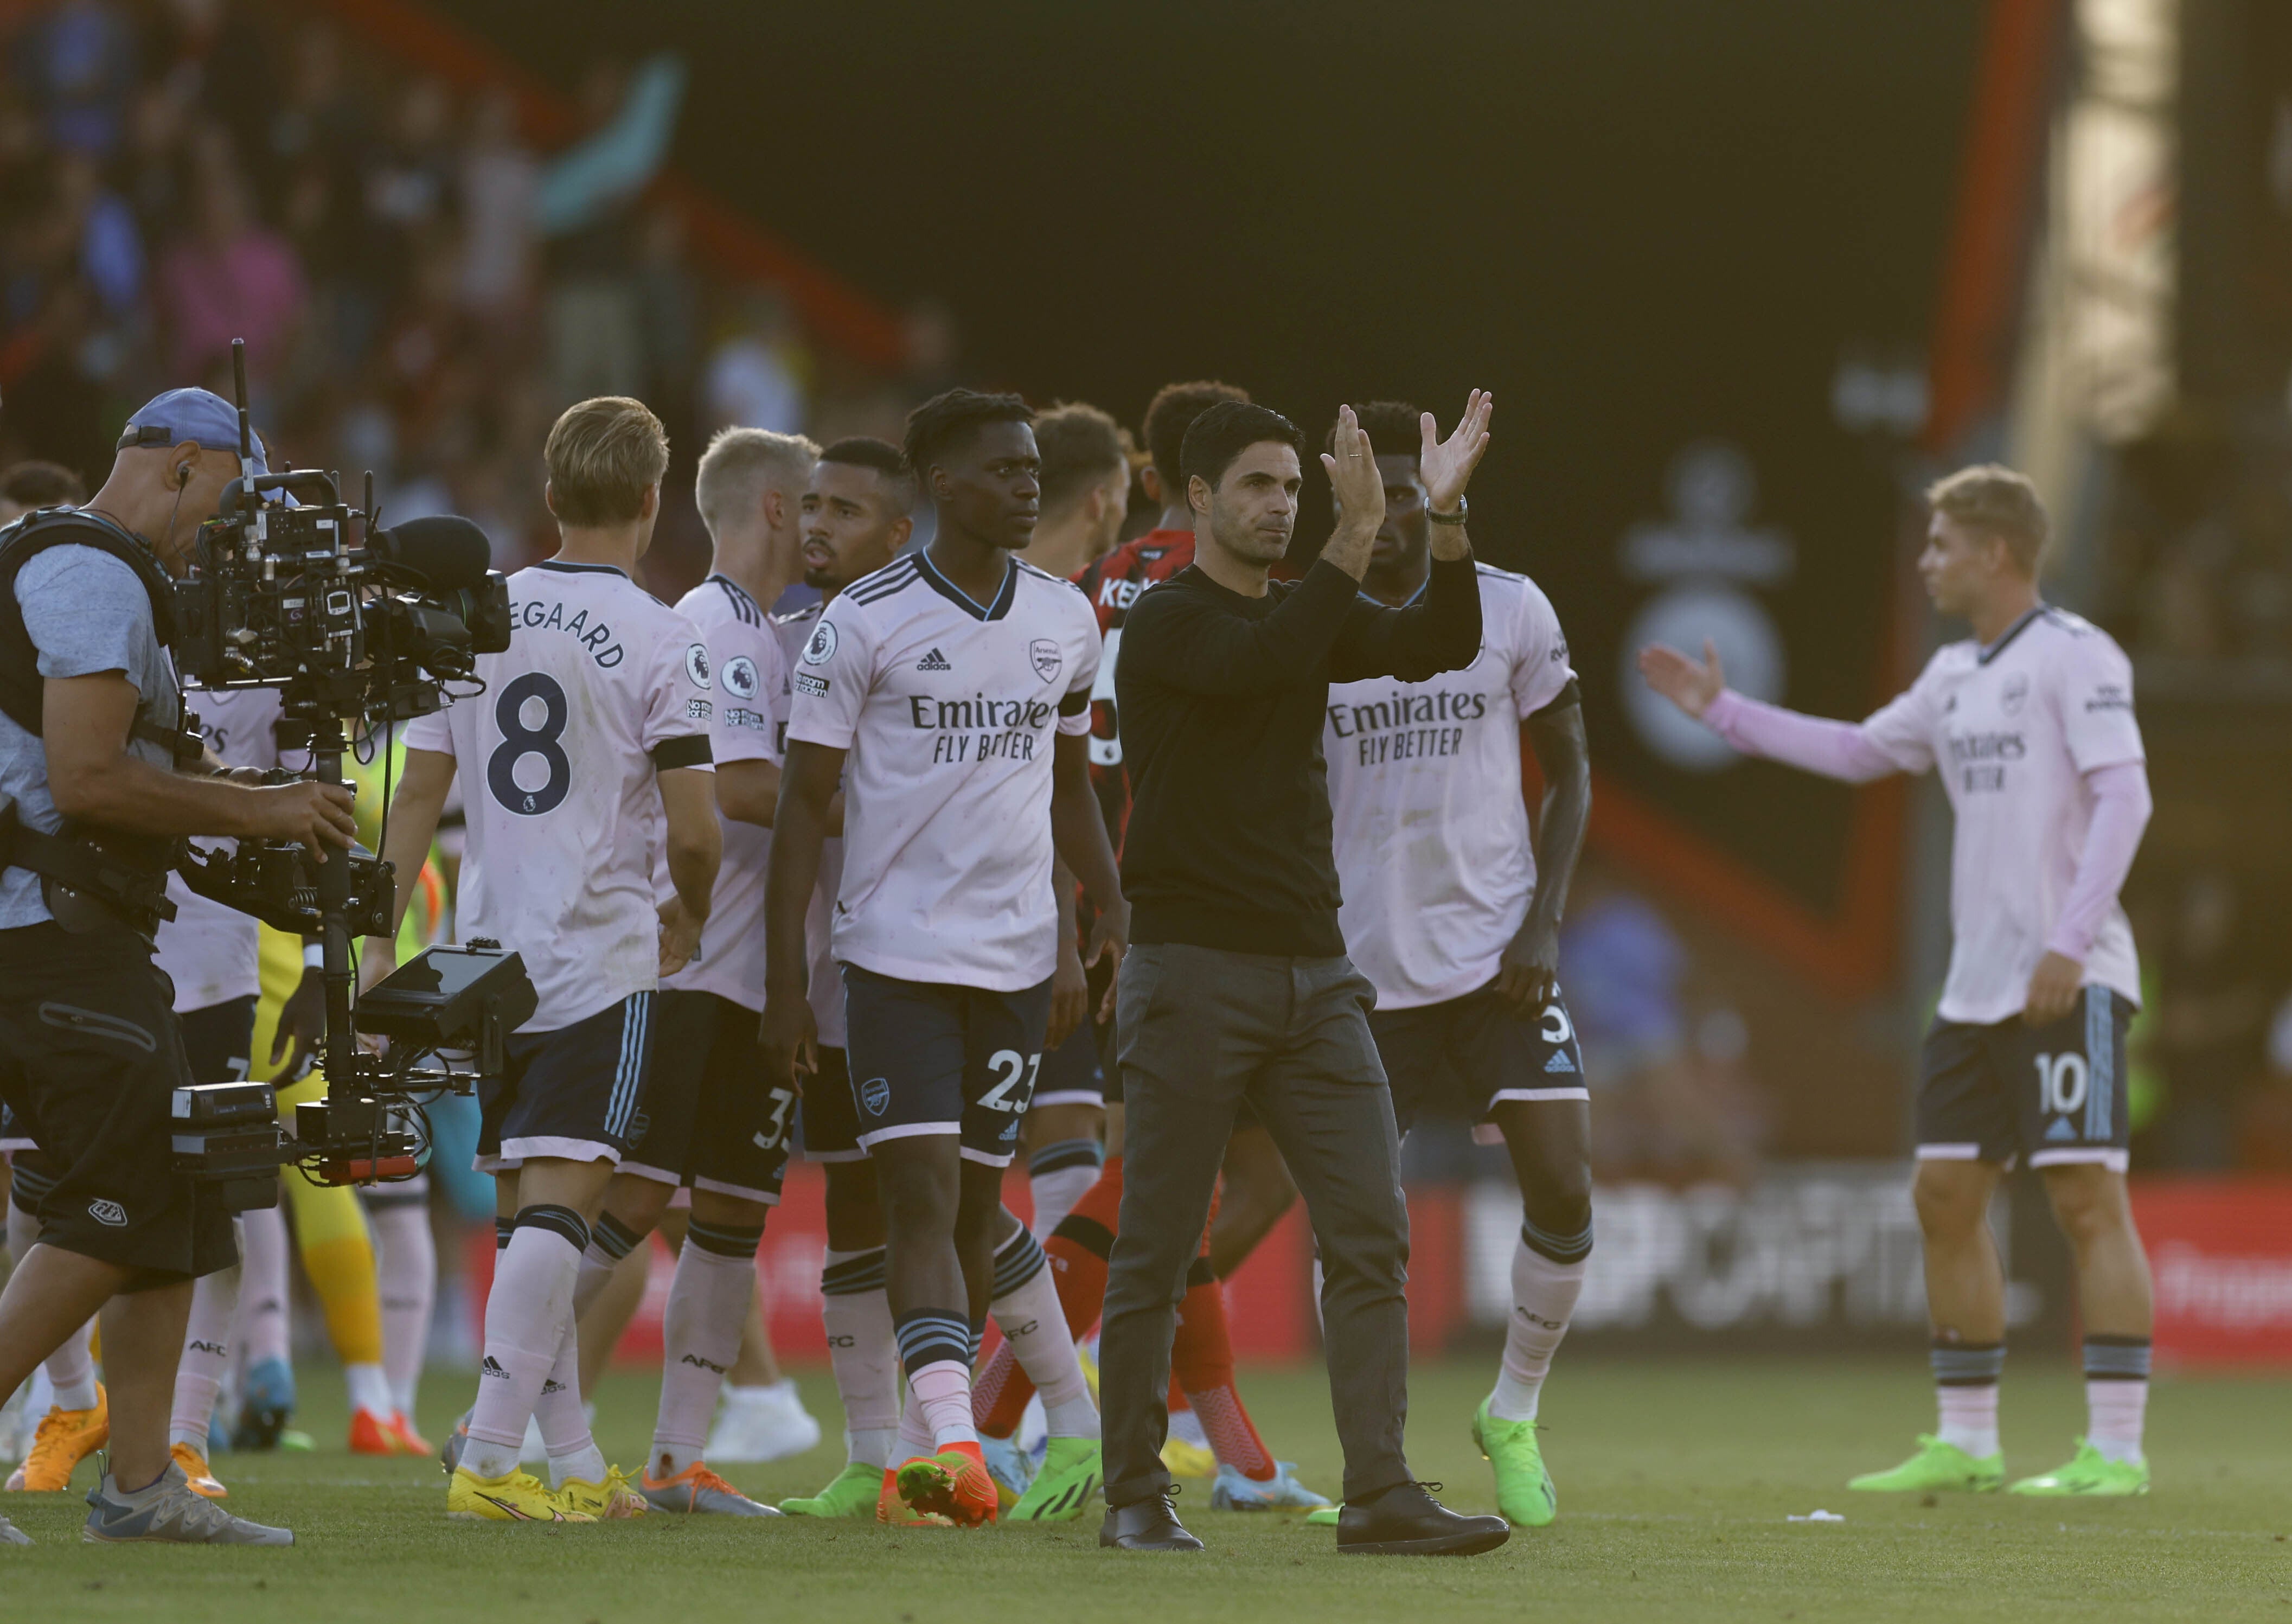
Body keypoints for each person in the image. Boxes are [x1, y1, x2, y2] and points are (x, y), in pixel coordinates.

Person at [1639, 464, 2159, 1497]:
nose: (1924, 562)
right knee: (1943, 1195)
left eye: (1939, 544)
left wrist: (2069, 940)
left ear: (1994, 552)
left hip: (2070, 976)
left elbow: (2126, 799)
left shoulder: (2076, 654)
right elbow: (1855, 751)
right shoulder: (1951, 675)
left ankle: (2115, 1449)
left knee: (2084, 1197)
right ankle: (1967, 1440)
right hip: (1974, 989)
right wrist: (1721, 711)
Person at [1097, 395, 1507, 1558]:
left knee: (1371, 1232)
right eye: (1258, 486)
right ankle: (1133, 1493)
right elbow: (1262, 663)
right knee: (1159, 1244)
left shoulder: (1301, 609)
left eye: (1293, 487)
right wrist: (1352, 535)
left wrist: (1447, 518)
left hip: (1317, 977)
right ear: (1196, 497)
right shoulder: (1168, 621)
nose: (1282, 505)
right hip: (1191, 971)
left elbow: (1439, 643)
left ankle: (1379, 1492)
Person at [0, 386, 358, 1545]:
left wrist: (250, 793)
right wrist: (262, 813)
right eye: (230, 502)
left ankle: (142, 1483)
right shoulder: (90, 568)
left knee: (181, 1193)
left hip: (80, 930)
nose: (229, 535)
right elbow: (88, 779)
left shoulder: (84, 564)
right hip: (48, 934)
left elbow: (131, 762)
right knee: (122, 1198)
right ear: (183, 465)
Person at [761, 391, 1125, 1529]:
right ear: (943, 487)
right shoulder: (861, 623)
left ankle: (966, 1445)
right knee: (915, 1199)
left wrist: (1102, 905)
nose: (1027, 486)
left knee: (973, 1209)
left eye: (1032, 470)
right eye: (1004, 470)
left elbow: (1064, 783)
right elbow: (800, 808)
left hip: (1015, 963)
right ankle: (959, 1451)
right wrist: (784, 984)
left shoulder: (1065, 618)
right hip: (895, 960)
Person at [377, 395, 721, 1523]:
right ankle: (487, 1460)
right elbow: (697, 830)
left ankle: (569, 1462)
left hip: (486, 959)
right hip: (595, 954)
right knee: (565, 1210)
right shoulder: (664, 634)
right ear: (651, 499)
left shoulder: (477, 614)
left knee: (531, 1213)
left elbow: (417, 796)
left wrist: (379, 941)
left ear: (550, 496)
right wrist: (691, 913)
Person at [976, 381, 1318, 1511]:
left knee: (1224, 1178)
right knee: (1158, 1180)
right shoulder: (1224, 589)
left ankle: (1227, 1449)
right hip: (1179, 903)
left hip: (1113, 896)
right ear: (1200, 482)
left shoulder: (1087, 587)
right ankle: (1000, 1408)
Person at [1319, 400, 1591, 1530]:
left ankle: (1511, 1411)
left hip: (1496, 961)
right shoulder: (1309, 625)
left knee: (1564, 1189)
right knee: (1357, 1232)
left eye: (1409, 490)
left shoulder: (1511, 606)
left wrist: (1542, 923)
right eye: (1373, 491)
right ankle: (1371, 1464)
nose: (1392, 511)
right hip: (1361, 977)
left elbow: (1571, 769)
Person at [560, 425, 818, 1517]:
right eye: (817, 503)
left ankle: (674, 1462)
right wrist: (889, 792)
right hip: (687, 968)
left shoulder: (779, 630)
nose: (828, 524)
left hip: (755, 973)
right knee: (632, 1197)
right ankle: (502, 1413)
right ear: (775, 507)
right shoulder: (711, 624)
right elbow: (739, 787)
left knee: (730, 1215)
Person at [773, 437, 915, 1519]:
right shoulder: (777, 640)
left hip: (929, 965)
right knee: (854, 1202)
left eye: (847, 511)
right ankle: (873, 1454)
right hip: (829, 975)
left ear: (899, 535)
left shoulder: (928, 640)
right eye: (813, 505)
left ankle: (1034, 1425)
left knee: (948, 1201)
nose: (819, 525)